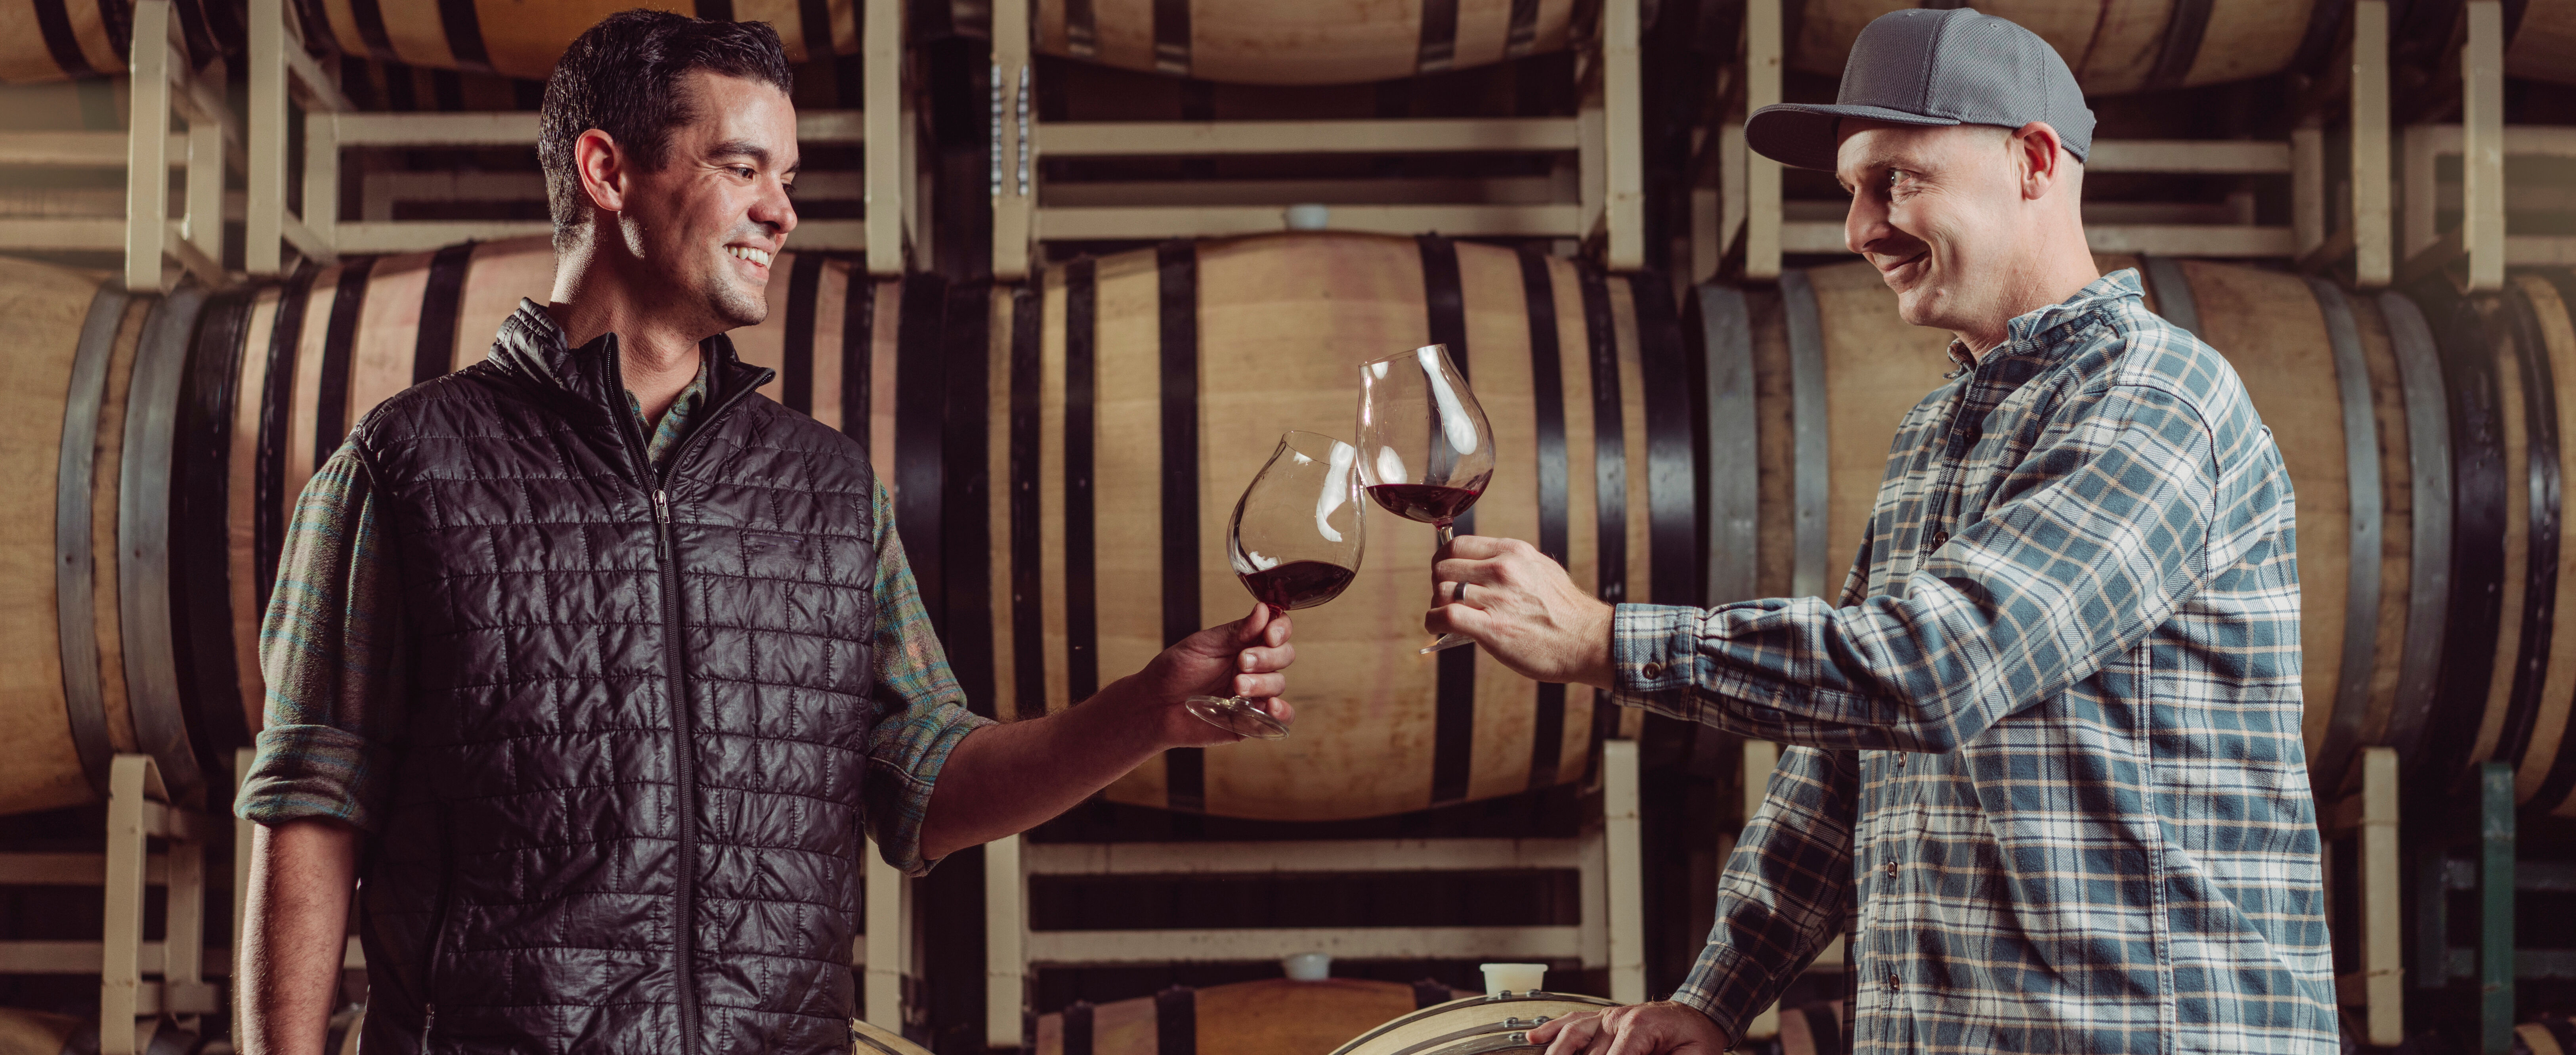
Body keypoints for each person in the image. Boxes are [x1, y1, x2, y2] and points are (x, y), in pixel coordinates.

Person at [231, 13, 1296, 1055]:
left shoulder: (828, 488)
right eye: (744, 169)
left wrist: (1143, 709)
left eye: (788, 179)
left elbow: (923, 786)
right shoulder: (409, 464)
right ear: (607, 173)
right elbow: (312, 811)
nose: (781, 214)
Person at [1435, 9, 2333, 1054]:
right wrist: (1715, 998)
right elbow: (1847, 753)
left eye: (1896, 179)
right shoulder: (1942, 428)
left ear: (2033, 159)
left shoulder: (2149, 398)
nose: (1860, 229)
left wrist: (1604, 640)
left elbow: (1934, 667)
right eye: (1851, 191)